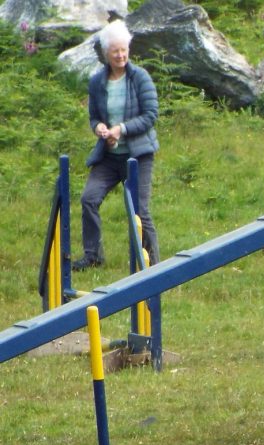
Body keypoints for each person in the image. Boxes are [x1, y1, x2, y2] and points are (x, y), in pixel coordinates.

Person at [72, 19, 160, 271]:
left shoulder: (140, 77)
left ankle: (153, 264)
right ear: (106, 53)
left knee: (140, 211)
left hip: (138, 155)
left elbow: (150, 115)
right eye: (115, 51)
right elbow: (94, 116)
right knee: (89, 199)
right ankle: (93, 256)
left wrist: (121, 129)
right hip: (109, 156)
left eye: (124, 50)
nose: (121, 55)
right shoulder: (97, 82)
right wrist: (99, 127)